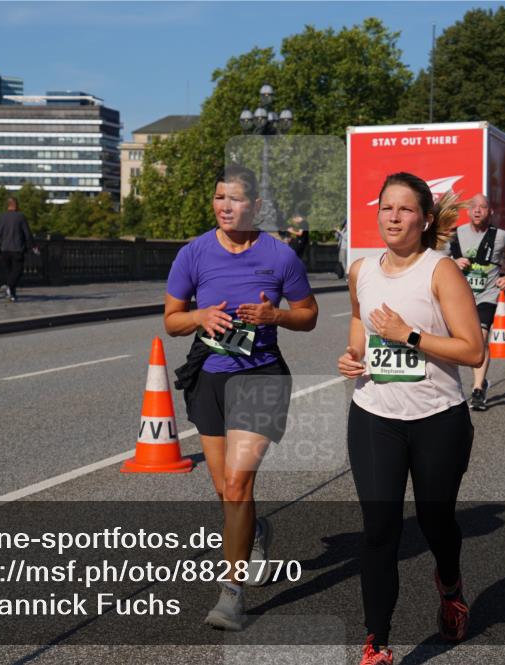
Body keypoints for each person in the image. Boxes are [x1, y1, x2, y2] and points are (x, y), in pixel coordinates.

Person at [164, 165, 318, 631]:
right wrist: (199, 317)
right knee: (225, 491)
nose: (225, 206)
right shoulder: (194, 253)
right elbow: (171, 319)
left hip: (261, 378)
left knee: (236, 487)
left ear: (256, 206)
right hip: (211, 379)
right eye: (219, 197)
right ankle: (256, 528)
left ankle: (231, 594)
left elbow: (308, 314)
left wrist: (276, 316)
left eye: (235, 199)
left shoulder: (280, 256)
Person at [337, 172, 483, 663]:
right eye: (386, 208)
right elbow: (358, 319)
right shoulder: (361, 269)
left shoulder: (440, 271)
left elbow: (473, 349)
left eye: (404, 209)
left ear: (425, 218)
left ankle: (450, 583)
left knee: (435, 521)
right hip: (374, 415)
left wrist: (410, 336)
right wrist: (354, 355)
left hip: (437, 418)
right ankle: (376, 642)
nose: (393, 217)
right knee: (379, 529)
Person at [449, 193, 505, 411]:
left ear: (490, 212)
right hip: (459, 297)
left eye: (482, 207)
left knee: (480, 341)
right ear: (468, 211)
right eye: (473, 206)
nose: (477, 210)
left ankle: (478, 388)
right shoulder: (455, 235)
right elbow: (435, 258)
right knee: (455, 342)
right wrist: (453, 261)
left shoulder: (501, 236)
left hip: (486, 296)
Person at [0, 196, 35, 303]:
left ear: (8, 205)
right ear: (16, 205)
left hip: (4, 249)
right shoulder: (20, 216)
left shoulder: (1, 217)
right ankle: (9, 287)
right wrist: (32, 246)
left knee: (9, 272)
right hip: (17, 248)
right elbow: (27, 233)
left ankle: (11, 294)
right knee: (18, 271)